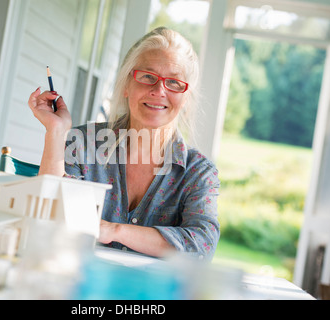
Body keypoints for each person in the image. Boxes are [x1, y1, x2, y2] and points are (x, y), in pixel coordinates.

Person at [28, 27, 220, 260]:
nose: (159, 90)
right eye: (148, 77)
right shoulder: (82, 144)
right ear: (127, 84)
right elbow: (46, 220)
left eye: (174, 82)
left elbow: (201, 247)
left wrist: (113, 230)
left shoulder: (198, 173)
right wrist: (55, 132)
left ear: (185, 97)